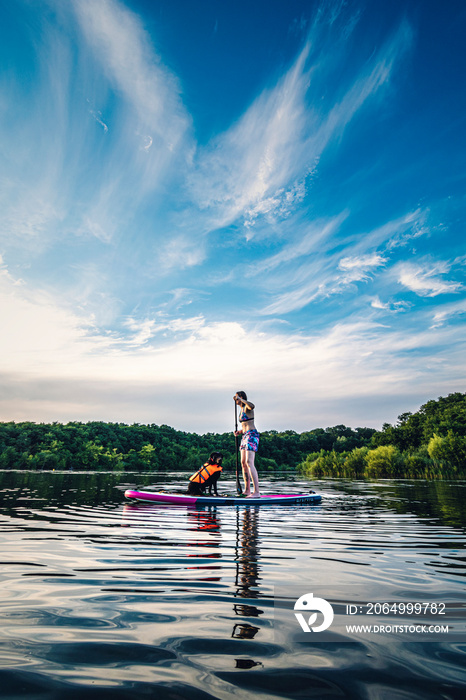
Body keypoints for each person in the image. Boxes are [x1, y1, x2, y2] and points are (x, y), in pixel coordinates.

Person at [234, 391, 260, 497]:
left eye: (237, 398)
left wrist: (241, 399)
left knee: (249, 462)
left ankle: (256, 492)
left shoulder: (247, 407)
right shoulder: (240, 410)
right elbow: (245, 425)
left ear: (241, 397)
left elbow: (252, 406)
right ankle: (247, 490)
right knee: (243, 463)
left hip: (252, 435)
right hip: (244, 436)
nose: (235, 400)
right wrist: (239, 432)